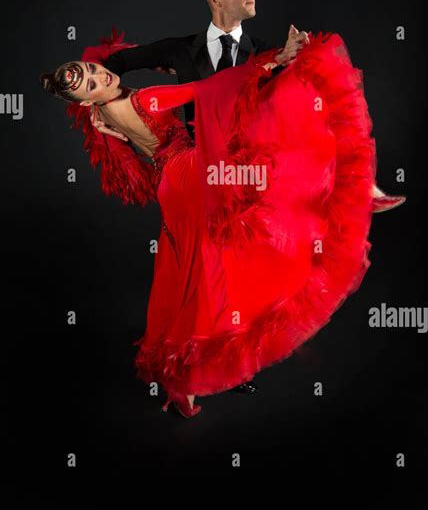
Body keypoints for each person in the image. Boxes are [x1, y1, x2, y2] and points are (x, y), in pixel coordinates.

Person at [40, 27, 383, 418]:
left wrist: (109, 105)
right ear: (85, 101)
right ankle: (349, 190)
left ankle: (185, 381)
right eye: (92, 82)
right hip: (190, 174)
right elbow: (209, 89)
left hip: (172, 186)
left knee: (199, 273)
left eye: (93, 69)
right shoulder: (146, 99)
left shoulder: (100, 116)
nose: (101, 76)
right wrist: (275, 60)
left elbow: (116, 122)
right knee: (266, 156)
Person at [94, 0, 406, 216]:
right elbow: (111, 62)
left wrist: (299, 58)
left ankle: (354, 181)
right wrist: (98, 109)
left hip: (255, 172)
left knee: (313, 71)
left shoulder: (267, 53)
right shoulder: (179, 50)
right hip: (204, 171)